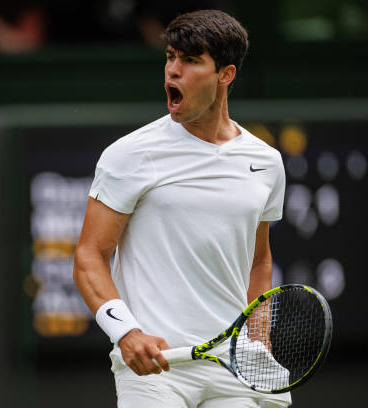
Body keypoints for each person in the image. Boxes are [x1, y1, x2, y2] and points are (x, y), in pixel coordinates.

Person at [73, 9, 290, 408]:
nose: (173, 70)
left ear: (225, 74)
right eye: (171, 57)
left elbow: (258, 261)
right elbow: (90, 256)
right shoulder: (129, 155)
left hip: (232, 368)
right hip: (156, 368)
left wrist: (259, 339)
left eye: (190, 60)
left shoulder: (266, 162)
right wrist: (126, 333)